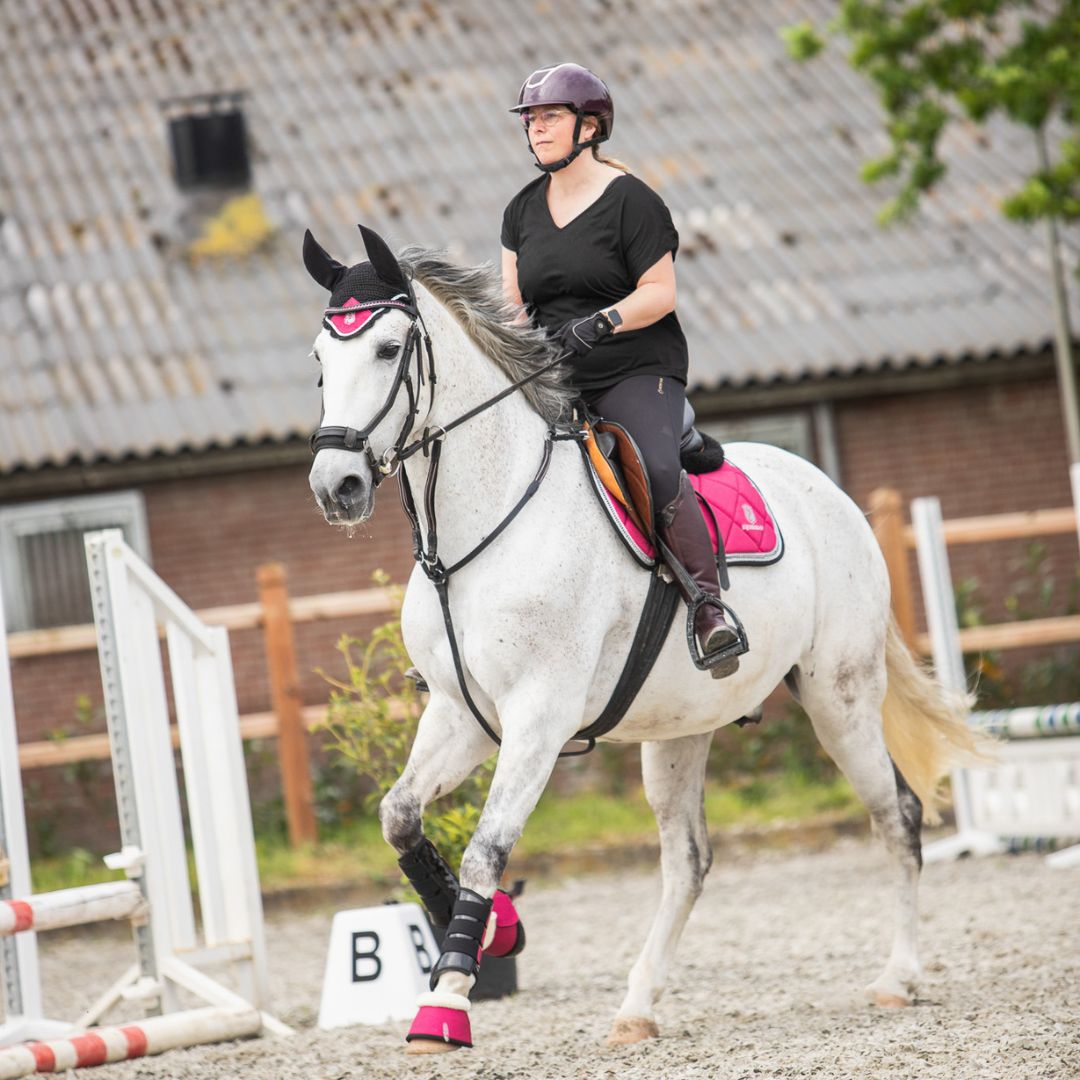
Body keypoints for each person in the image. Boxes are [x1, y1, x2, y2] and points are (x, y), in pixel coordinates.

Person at [500, 62, 744, 677]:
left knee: (652, 463)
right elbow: (510, 306)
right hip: (555, 376)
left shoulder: (633, 201)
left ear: (591, 126)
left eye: (550, 117)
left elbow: (660, 293)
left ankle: (710, 608)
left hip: (634, 367)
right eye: (531, 120)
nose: (537, 130)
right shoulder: (519, 212)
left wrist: (598, 323)